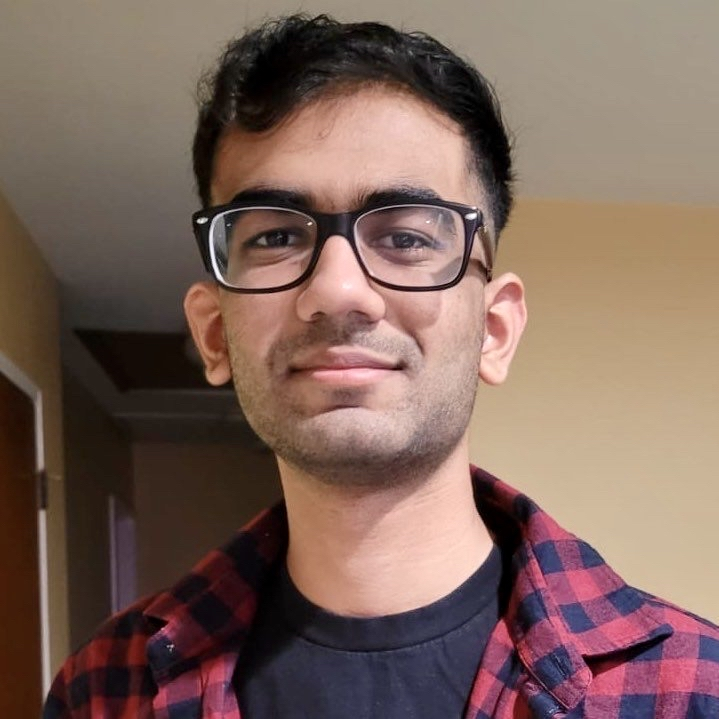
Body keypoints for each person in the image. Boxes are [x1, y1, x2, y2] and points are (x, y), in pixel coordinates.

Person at [44, 14, 719, 719]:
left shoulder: (691, 690)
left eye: (404, 236)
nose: (337, 290)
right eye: (275, 236)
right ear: (214, 334)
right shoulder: (103, 689)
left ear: (493, 331)